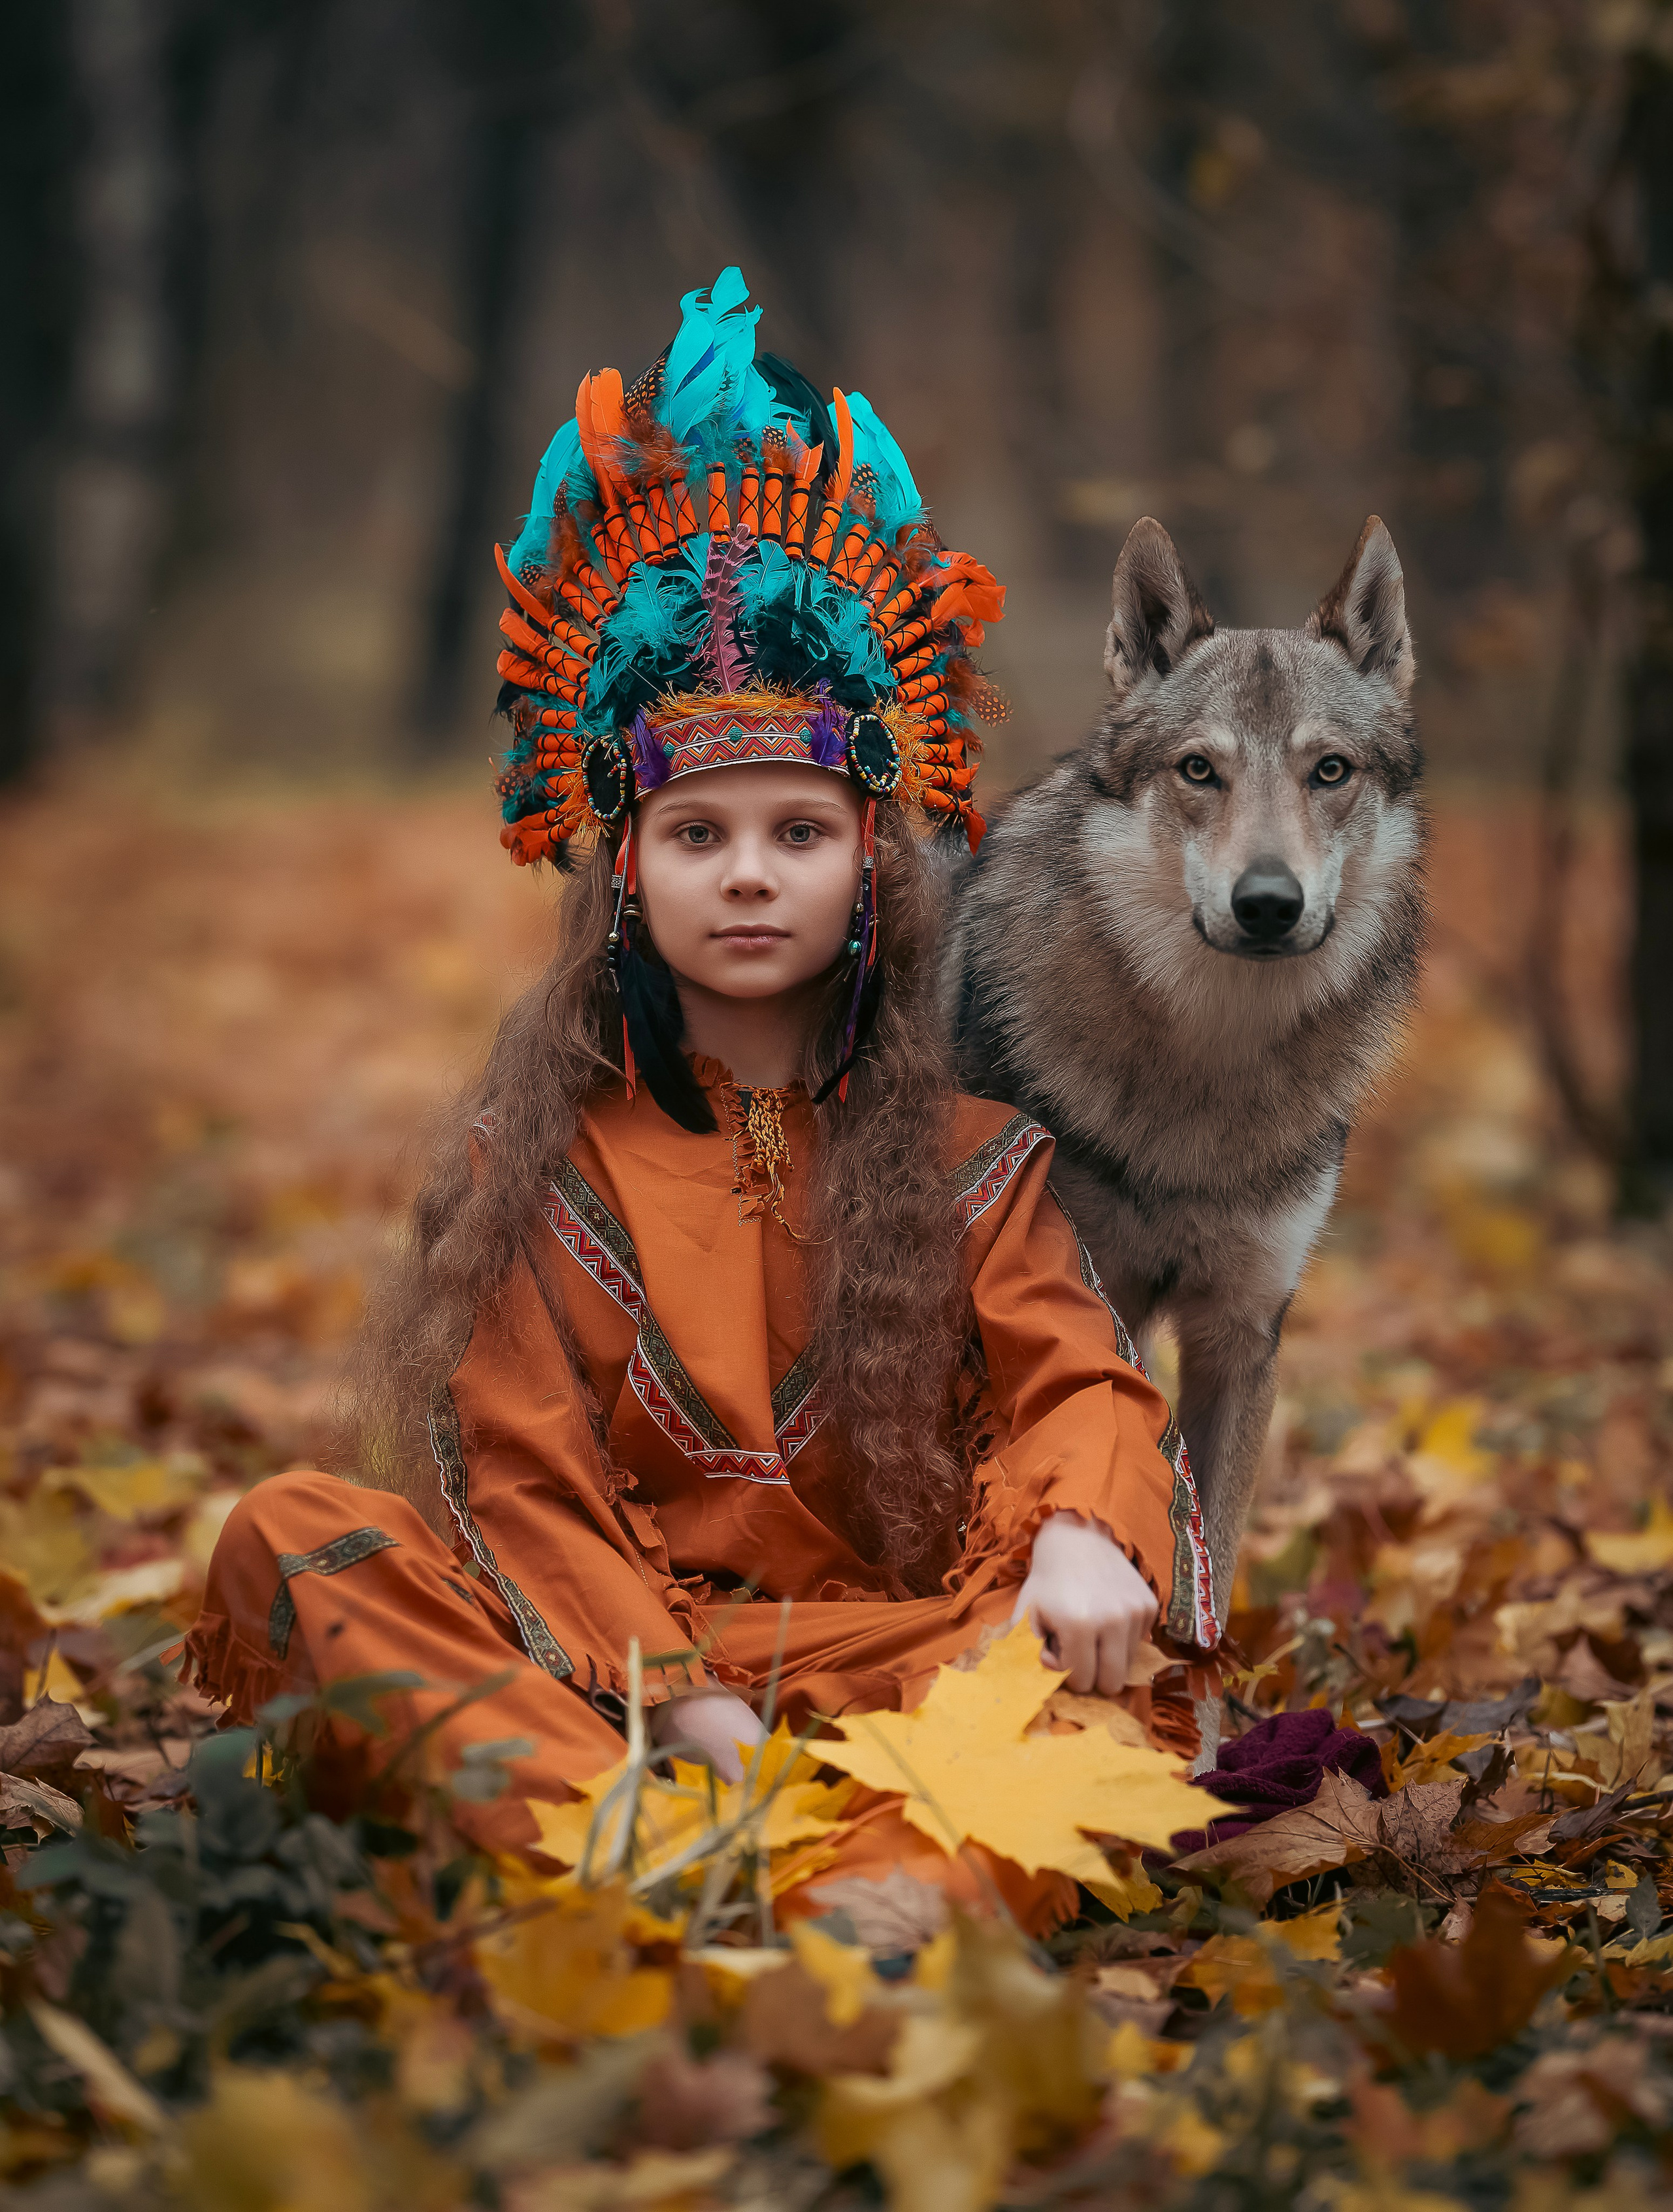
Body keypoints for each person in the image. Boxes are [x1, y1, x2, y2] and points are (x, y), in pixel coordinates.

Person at [184, 270, 1218, 1923]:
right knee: (296, 1537)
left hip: (898, 1665)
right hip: (600, 1681)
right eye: (698, 835)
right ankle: (648, 1856)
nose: (749, 878)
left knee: (1079, 1658)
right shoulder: (539, 1159)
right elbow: (519, 1483)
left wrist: (1083, 1536)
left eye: (798, 834)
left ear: (874, 859)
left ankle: (854, 1901)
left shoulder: (975, 1163)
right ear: (627, 870)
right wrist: (686, 1704)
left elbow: (1079, 1386)